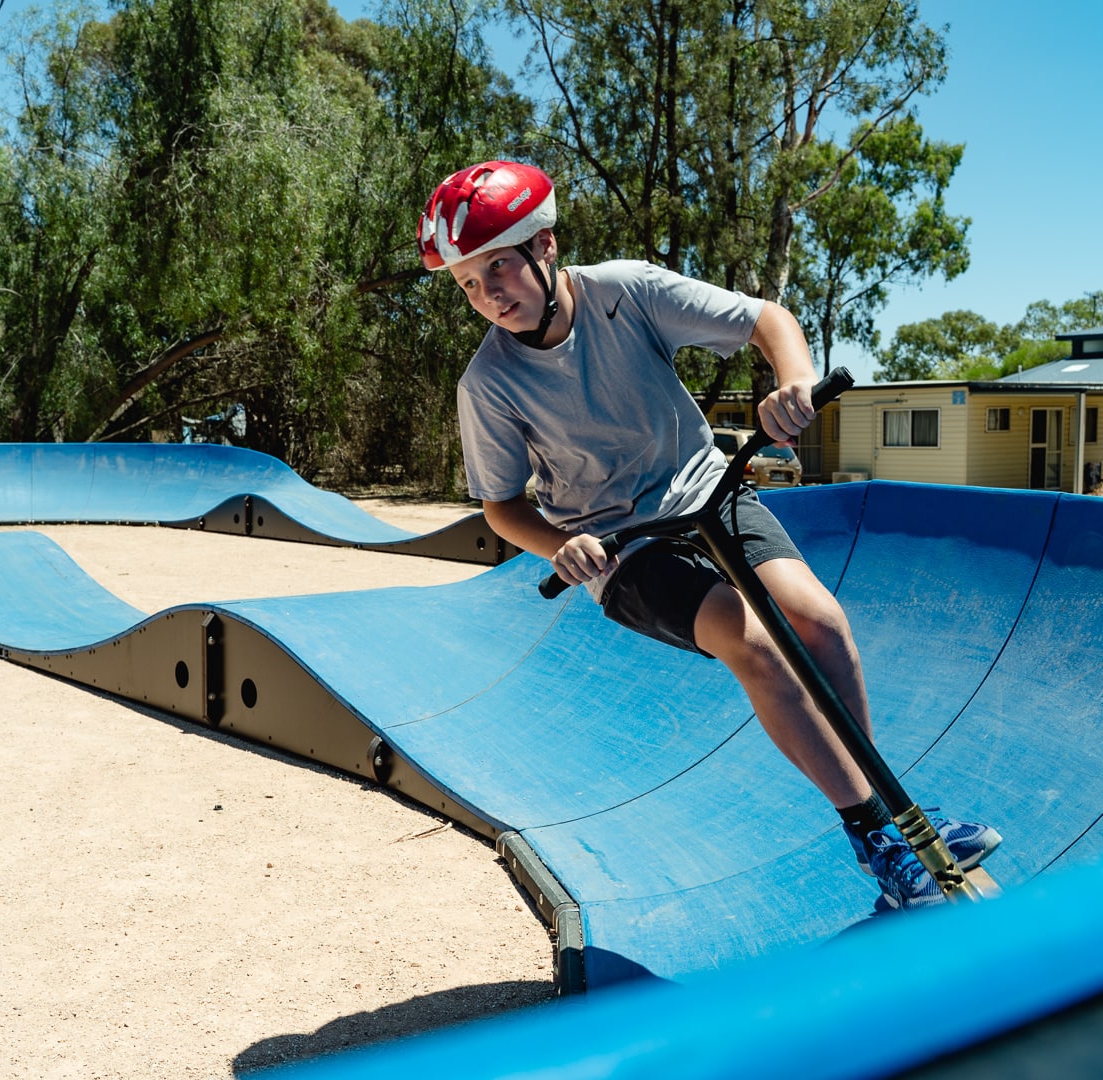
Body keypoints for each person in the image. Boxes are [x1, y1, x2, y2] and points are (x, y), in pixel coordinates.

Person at [418, 160, 1000, 909]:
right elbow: (500, 506)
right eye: (468, 283)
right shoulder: (487, 384)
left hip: (707, 490)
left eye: (497, 266)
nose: (487, 293)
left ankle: (891, 811)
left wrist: (792, 381)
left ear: (545, 246)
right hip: (619, 544)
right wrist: (559, 545)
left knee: (818, 621)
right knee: (752, 641)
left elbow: (767, 320)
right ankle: (878, 838)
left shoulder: (624, 292)